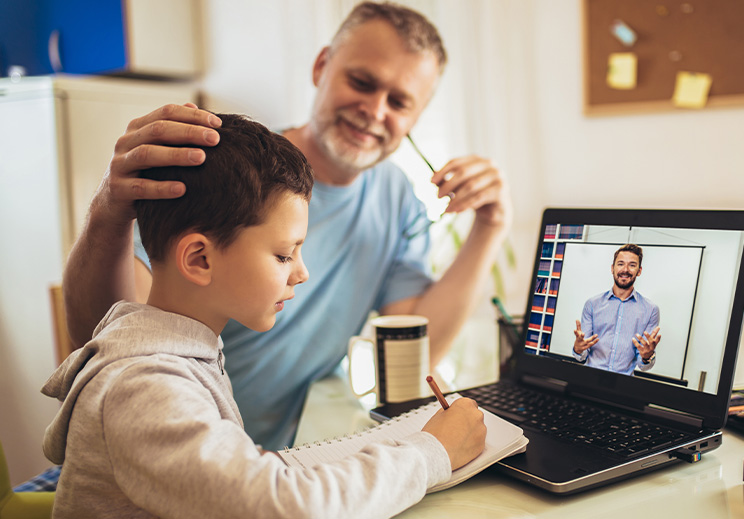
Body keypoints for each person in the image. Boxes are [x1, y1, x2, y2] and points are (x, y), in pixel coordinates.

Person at [61, 1, 511, 450]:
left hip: (274, 464)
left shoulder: (397, 201)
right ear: (321, 67)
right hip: (174, 459)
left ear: (416, 116)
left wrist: (490, 226)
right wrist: (107, 209)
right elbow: (112, 335)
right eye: (361, 82)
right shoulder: (230, 175)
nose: (375, 111)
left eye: (399, 102)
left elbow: (416, 354)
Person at [42, 113, 486, 519]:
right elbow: (283, 508)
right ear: (199, 259)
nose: (302, 272)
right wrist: (432, 452)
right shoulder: (144, 388)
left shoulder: (184, 352)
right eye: (282, 254)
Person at [571, 244, 662, 376]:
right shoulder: (592, 304)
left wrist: (647, 356)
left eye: (632, 265)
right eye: (620, 264)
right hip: (589, 378)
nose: (625, 270)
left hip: (623, 385)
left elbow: (643, 365)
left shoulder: (651, 310)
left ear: (639, 271)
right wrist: (578, 349)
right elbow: (582, 354)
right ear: (612, 268)